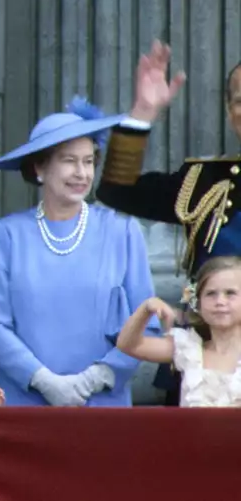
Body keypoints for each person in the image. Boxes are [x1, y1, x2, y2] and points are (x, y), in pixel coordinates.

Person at [0, 97, 158, 407]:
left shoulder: (122, 231)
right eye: (68, 160)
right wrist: (43, 380)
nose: (81, 173)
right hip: (26, 403)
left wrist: (96, 378)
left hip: (103, 404)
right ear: (39, 167)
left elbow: (148, 325)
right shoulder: (5, 234)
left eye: (88, 161)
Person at [95, 42, 241, 404]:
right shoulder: (205, 180)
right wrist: (143, 112)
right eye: (240, 100)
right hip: (205, 364)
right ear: (230, 112)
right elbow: (117, 190)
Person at [117, 256, 241, 407]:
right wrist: (146, 309)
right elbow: (128, 345)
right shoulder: (189, 350)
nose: (220, 302)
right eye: (211, 294)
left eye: (230, 293)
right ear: (198, 302)